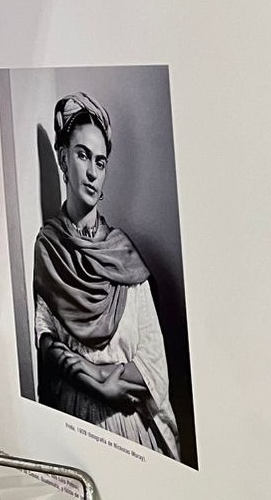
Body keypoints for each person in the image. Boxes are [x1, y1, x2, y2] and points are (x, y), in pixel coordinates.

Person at [33, 93, 181, 460]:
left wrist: (93, 372)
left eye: (100, 161)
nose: (92, 172)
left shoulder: (123, 256)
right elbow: (46, 342)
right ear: (63, 159)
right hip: (74, 427)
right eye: (82, 155)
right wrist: (100, 386)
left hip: (129, 427)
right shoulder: (50, 249)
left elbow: (154, 365)